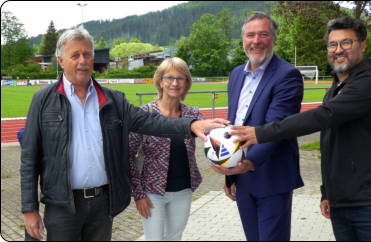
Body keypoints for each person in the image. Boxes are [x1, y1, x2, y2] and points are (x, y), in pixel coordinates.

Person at [20, 26, 228, 241]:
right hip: (63, 205)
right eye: (75, 55)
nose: (82, 60)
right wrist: (29, 208)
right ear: (61, 61)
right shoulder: (43, 100)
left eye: (87, 54)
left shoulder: (114, 99)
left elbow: (149, 120)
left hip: (102, 205)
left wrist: (190, 126)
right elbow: (29, 158)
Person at [229, 16, 371, 241]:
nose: (338, 50)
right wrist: (327, 193)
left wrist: (259, 133)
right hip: (343, 201)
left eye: (346, 43)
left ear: (363, 45)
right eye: (333, 44)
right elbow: (330, 145)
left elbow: (324, 117)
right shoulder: (336, 88)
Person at [209, 12, 304, 241]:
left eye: (263, 34)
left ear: (273, 39)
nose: (256, 40)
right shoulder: (235, 75)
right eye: (250, 35)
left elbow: (276, 127)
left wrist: (248, 163)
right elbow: (234, 126)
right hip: (242, 176)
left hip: (271, 174)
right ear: (243, 40)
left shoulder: (287, 75)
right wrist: (231, 173)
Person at [129, 57, 203, 241]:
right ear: (160, 81)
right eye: (169, 78)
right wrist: (138, 194)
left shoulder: (193, 115)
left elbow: (213, 142)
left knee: (174, 238)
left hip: (184, 190)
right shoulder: (145, 114)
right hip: (152, 193)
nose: (175, 83)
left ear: (186, 83)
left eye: (181, 78)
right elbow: (128, 155)